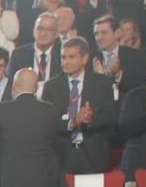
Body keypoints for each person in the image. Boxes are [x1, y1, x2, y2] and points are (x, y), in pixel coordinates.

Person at [40, 36, 118, 176]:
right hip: (62, 157)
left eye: (72, 57)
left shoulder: (102, 83)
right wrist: (72, 122)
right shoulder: (51, 87)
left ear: (85, 58)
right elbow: (47, 123)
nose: (66, 62)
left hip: (93, 157)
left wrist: (90, 119)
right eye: (63, 57)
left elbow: (110, 117)